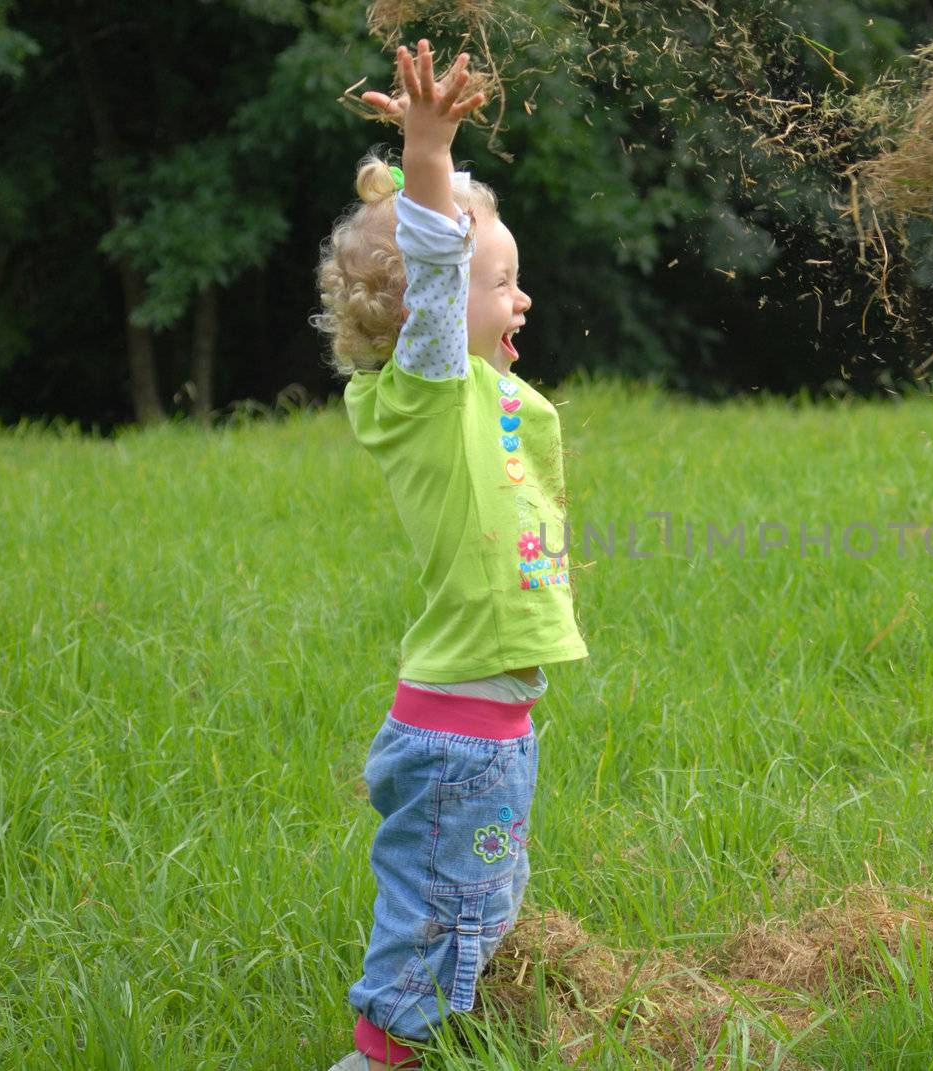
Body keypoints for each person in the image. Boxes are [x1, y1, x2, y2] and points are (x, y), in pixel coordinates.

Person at [311, 39, 588, 1070]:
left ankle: (449, 1026)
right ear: (424, 314)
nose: (520, 300)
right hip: (460, 736)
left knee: (480, 896)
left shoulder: (484, 398)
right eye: (500, 282)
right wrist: (429, 156)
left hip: (487, 725)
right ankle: (381, 1056)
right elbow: (434, 263)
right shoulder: (428, 393)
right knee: (441, 908)